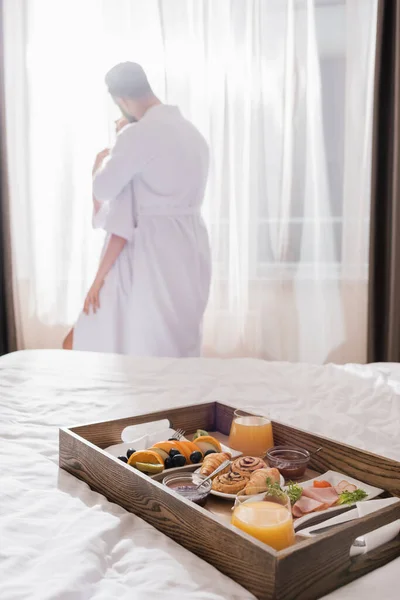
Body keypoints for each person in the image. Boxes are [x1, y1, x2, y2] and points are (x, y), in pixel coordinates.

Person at [68, 62, 211, 357]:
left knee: (152, 341)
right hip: (192, 243)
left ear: (121, 100)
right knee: (181, 337)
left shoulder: (139, 134)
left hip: (156, 247)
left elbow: (103, 189)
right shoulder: (192, 133)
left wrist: (98, 165)